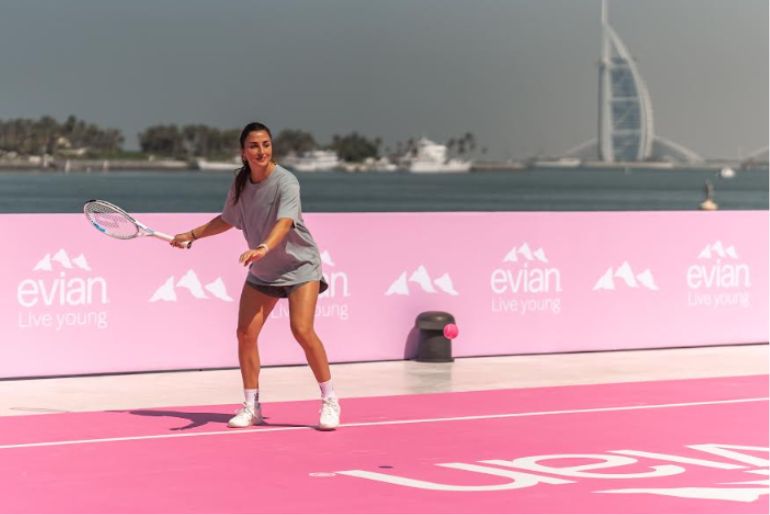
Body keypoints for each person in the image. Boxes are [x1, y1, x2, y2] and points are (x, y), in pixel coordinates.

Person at [170, 122, 341, 430]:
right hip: (263, 271)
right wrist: (192, 234)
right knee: (245, 335)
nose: (261, 151)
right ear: (243, 152)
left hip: (299, 266)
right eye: (254, 146)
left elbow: (285, 223)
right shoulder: (239, 183)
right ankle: (252, 406)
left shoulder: (286, 182)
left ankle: (330, 400)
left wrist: (262, 246)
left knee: (302, 329)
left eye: (266, 144)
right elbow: (227, 219)